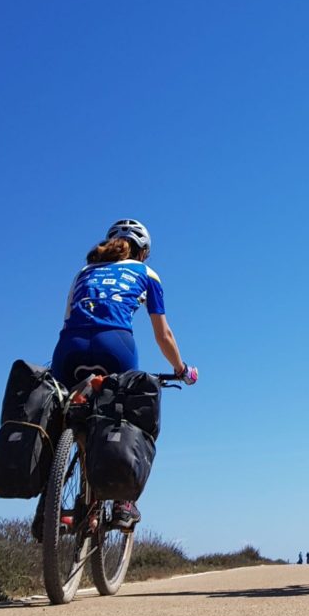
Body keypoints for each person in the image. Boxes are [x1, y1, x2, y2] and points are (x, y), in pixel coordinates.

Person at [43, 218, 197, 535]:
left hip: (68, 349)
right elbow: (163, 334)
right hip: (114, 346)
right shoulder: (146, 274)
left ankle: (46, 509)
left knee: (63, 417)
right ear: (142, 252)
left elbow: (69, 318)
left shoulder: (83, 272)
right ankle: (123, 504)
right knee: (126, 411)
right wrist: (181, 369)